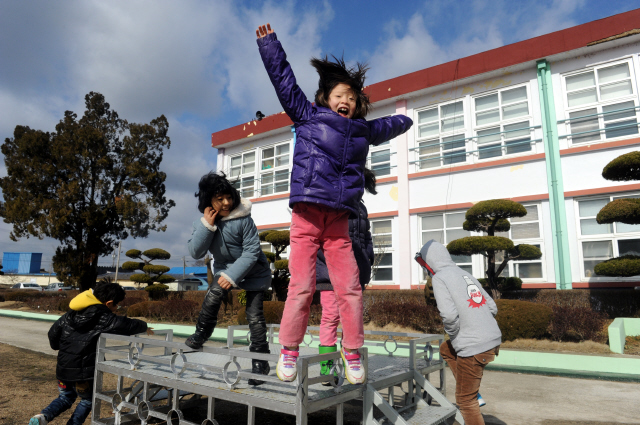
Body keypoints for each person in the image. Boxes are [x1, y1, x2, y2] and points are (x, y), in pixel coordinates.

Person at [257, 23, 413, 385]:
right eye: (340, 95)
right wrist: (269, 45)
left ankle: (353, 352)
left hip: (339, 223)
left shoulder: (362, 130)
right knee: (300, 287)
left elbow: (390, 124)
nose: (347, 101)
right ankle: (290, 350)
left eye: (353, 98)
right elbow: (284, 82)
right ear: (326, 97)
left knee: (351, 290)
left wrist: (407, 119)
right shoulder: (308, 116)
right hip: (308, 215)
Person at [186, 171, 272, 386]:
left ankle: (261, 362)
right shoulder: (203, 223)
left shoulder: (244, 219)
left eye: (229, 197)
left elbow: (252, 252)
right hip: (224, 268)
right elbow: (196, 252)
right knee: (213, 296)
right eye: (219, 199)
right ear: (209, 201)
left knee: (254, 316)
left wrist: (232, 275)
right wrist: (207, 225)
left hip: (254, 270)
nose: (226, 203)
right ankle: (201, 334)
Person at [29, 283, 153, 425]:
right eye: (117, 306)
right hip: (84, 373)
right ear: (109, 303)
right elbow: (126, 324)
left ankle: (43, 417)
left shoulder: (70, 314)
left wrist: (59, 347)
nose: (116, 309)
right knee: (87, 400)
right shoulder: (105, 317)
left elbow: (52, 333)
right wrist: (144, 326)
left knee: (65, 398)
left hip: (63, 367)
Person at [415, 240, 502, 425]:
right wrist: (478, 321)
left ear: (429, 262)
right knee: (446, 348)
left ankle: (471, 395)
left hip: (474, 346)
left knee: (465, 402)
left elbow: (448, 315)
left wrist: (456, 335)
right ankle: (474, 392)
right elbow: (492, 307)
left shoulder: (439, 278)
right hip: (492, 339)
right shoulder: (465, 274)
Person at [316, 168, 375, 384]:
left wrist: (368, 258)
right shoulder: (329, 202)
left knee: (352, 316)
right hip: (330, 272)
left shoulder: (361, 208)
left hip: (356, 272)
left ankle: (350, 358)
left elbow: (366, 236)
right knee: (331, 316)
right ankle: (327, 368)